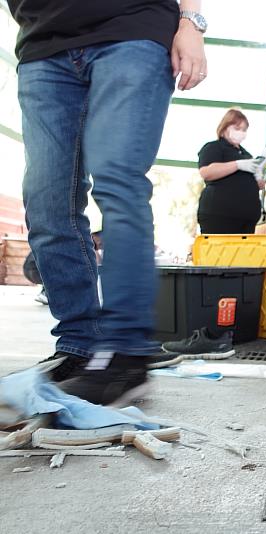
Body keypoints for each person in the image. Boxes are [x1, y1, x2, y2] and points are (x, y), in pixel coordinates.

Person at [12, 0, 208, 405]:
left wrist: (190, 22)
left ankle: (125, 354)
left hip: (132, 27)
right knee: (47, 203)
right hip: (41, 43)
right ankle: (80, 345)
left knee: (118, 183)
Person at [196, 109, 266, 234]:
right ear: (225, 127)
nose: (241, 133)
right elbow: (206, 172)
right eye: (237, 128)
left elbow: (258, 186)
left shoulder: (246, 155)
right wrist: (237, 165)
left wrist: (258, 174)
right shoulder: (214, 147)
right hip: (219, 216)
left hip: (247, 218)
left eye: (244, 130)